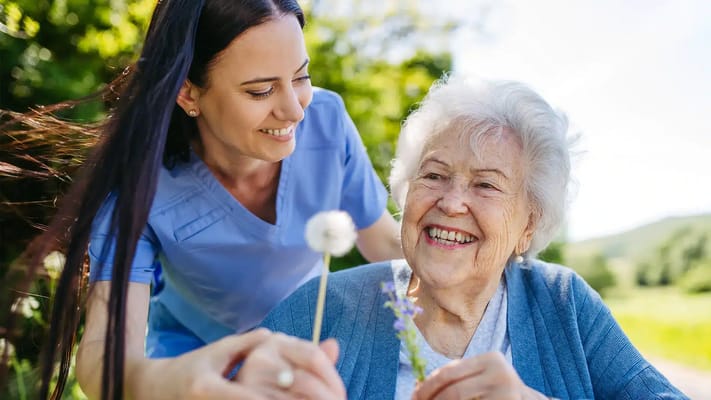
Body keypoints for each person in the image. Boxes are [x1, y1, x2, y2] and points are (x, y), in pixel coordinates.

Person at [4, 0, 401, 398]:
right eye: (261, 90)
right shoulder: (138, 185)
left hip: (309, 340)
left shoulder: (327, 123)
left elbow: (385, 243)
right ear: (188, 93)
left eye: (301, 77)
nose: (295, 110)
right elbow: (102, 360)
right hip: (192, 359)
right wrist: (182, 382)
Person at [261, 76, 689, 399]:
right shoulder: (322, 308)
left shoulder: (564, 305)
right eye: (433, 175)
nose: (451, 203)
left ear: (527, 226)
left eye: (486, 185)